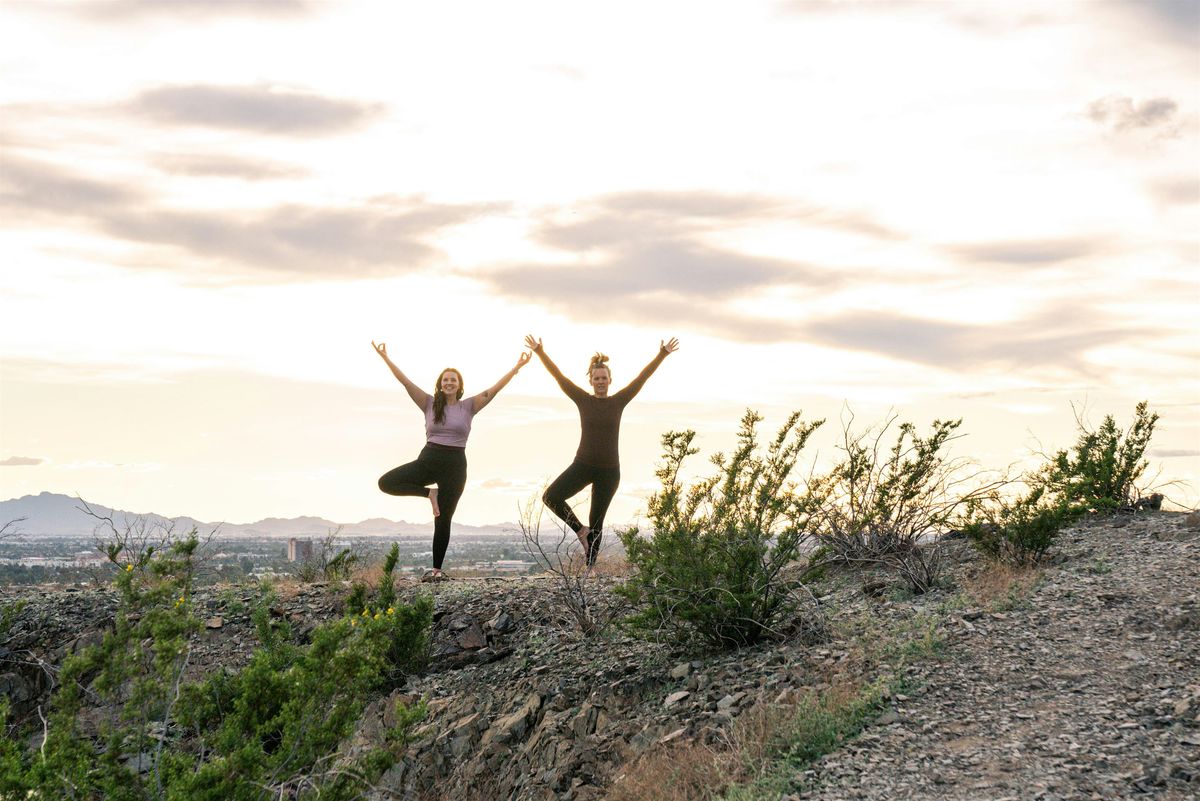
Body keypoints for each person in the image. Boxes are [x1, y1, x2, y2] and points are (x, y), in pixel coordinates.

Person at [373, 341, 530, 579]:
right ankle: (430, 494)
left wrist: (516, 367)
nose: (449, 382)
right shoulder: (427, 403)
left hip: (455, 466)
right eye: (445, 379)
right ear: (440, 384)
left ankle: (436, 570)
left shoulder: (469, 407)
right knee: (386, 482)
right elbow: (405, 382)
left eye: (453, 380)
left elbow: (494, 389)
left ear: (459, 385)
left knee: (443, 518)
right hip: (428, 459)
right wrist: (385, 358)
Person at [524, 334, 680, 565]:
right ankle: (580, 531)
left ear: (610, 380)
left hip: (609, 472)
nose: (600, 381)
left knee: (597, 521)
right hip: (583, 465)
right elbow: (559, 377)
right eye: (596, 378)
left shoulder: (618, 401)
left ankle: (590, 570)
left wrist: (662, 354)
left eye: (604, 378)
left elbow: (642, 378)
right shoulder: (582, 399)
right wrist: (540, 352)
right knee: (551, 496)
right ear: (591, 380)